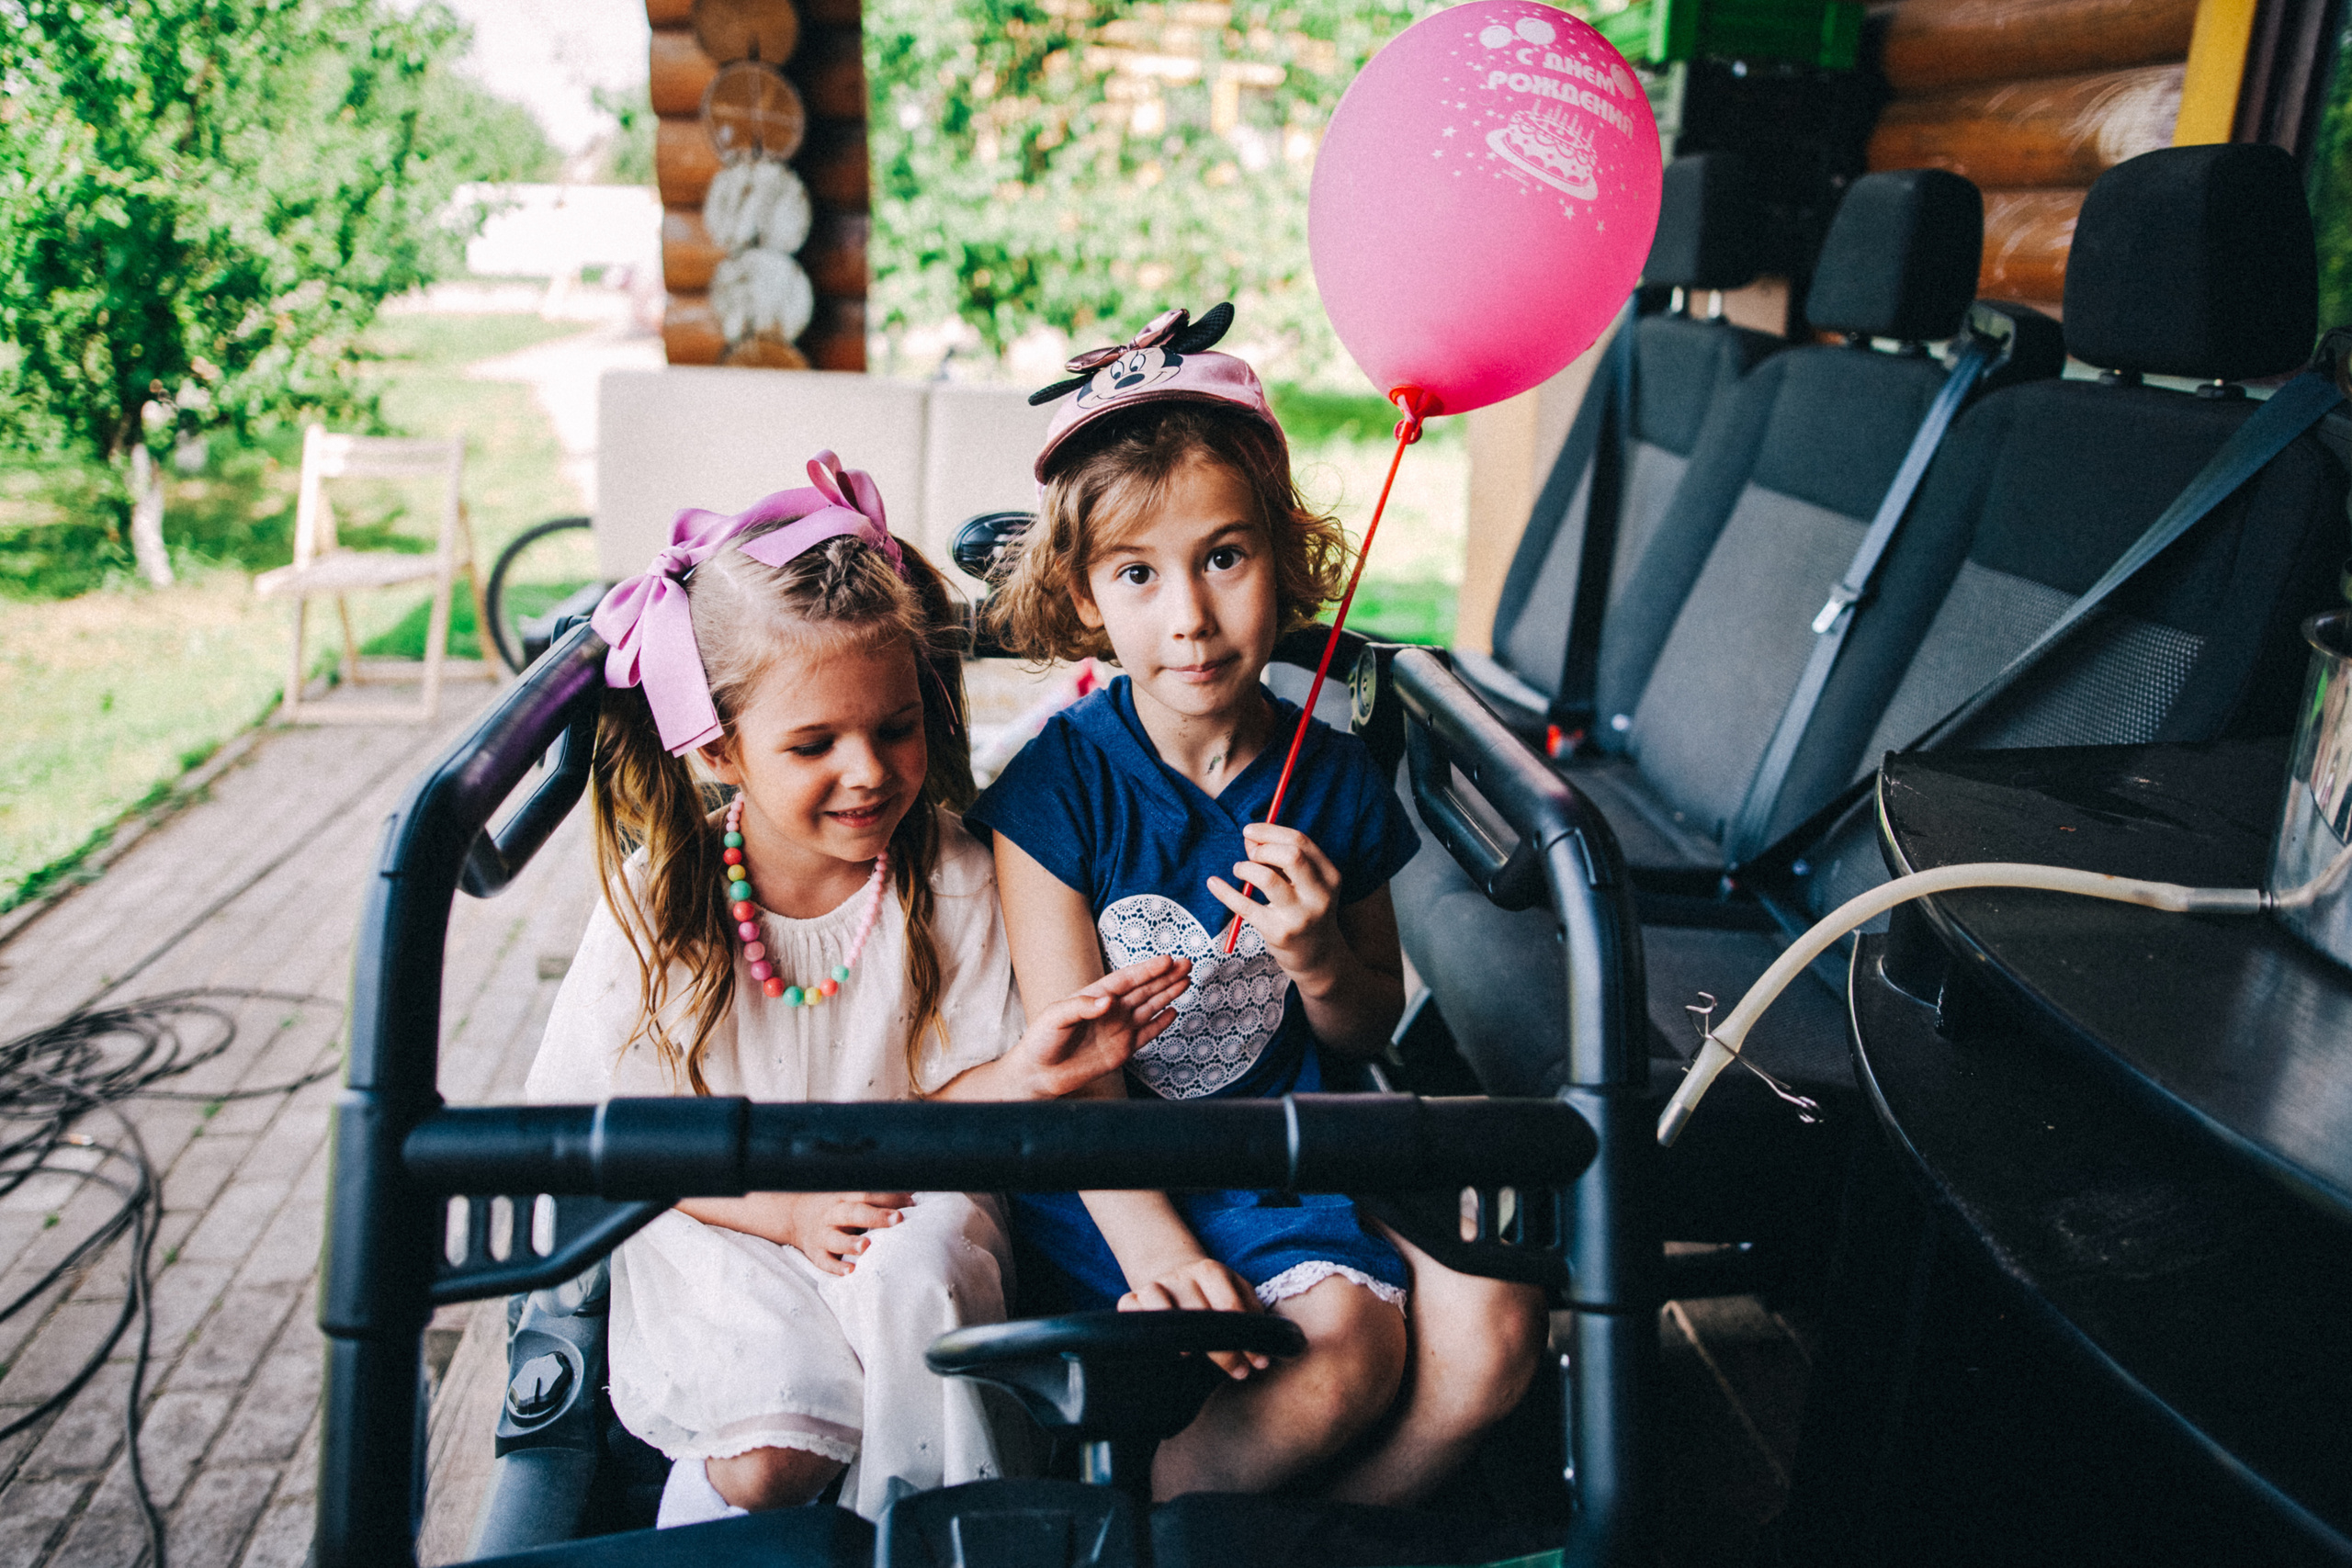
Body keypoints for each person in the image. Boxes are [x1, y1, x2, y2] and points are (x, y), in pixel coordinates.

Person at [525, 451, 1191, 1527]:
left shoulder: (957, 882)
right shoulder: (666, 904)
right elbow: (610, 1128)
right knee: (768, 1461)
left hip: (905, 1189)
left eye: (894, 727)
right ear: (721, 751)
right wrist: (783, 1210)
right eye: (813, 744)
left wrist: (1023, 1074)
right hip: (725, 1207)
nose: (869, 771)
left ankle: (933, 1526)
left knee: (913, 1270)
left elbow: (943, 1117)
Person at [967, 305, 1548, 1505]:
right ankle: (1145, 1522)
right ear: (1087, 599)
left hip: (1278, 1158)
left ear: (1284, 559)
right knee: (1346, 1350)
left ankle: (1286, 1530)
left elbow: (1363, 1024)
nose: (1189, 613)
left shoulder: (1331, 773)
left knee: (1389, 1342)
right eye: (1140, 573)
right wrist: (1157, 1246)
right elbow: (1074, 1068)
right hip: (1115, 1169)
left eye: (1224, 556)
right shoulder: (1055, 789)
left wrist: (1320, 951)